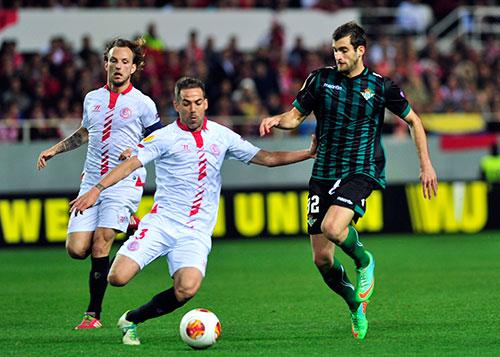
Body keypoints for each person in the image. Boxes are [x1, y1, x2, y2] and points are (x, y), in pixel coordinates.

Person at [69, 76, 317, 346]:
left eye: (198, 102)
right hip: (161, 223)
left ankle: (132, 320)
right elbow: (129, 165)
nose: (193, 109)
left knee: (187, 288)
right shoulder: (162, 138)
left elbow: (266, 158)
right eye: (186, 103)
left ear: (206, 103)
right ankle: (133, 226)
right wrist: (97, 189)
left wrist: (307, 153)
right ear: (177, 105)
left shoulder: (222, 136)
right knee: (116, 278)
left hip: (196, 231)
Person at [259, 21, 438, 340]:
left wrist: (426, 165)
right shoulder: (320, 79)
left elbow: (414, 121)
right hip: (323, 172)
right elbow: (295, 116)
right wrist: (277, 120)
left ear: (360, 51)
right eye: (335, 50)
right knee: (322, 259)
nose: (338, 56)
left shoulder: (381, 86)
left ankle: (364, 260)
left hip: (360, 169)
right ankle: (355, 305)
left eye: (343, 50)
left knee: (333, 227)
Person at [36, 38, 162, 329]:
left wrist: (137, 151)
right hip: (91, 179)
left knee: (101, 242)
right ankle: (130, 223)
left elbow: (159, 139)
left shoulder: (143, 104)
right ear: (106, 63)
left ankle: (92, 315)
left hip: (124, 181)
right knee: (76, 249)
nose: (119, 66)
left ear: (133, 68)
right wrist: (55, 149)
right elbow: (84, 132)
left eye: (125, 62)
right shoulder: (92, 98)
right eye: (114, 60)